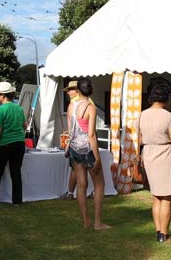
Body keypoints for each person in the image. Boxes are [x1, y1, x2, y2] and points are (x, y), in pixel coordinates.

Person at [137, 83, 171, 243]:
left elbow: (139, 139)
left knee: (156, 197)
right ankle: (164, 235)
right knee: (167, 199)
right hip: (165, 155)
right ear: (166, 97)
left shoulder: (142, 115)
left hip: (149, 153)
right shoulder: (170, 117)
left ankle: (159, 232)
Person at [65, 77, 110, 230]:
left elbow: (70, 130)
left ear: (77, 90)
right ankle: (97, 223)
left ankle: (86, 221)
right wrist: (97, 157)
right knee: (99, 184)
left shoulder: (71, 105)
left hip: (75, 148)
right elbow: (91, 134)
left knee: (81, 185)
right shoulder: (90, 107)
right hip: (88, 149)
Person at [0, 82, 27, 205]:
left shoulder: (0, 110)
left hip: (5, 144)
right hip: (19, 143)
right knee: (16, 172)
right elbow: (25, 125)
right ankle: (17, 201)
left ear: (3, 95)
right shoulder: (19, 108)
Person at [61, 80, 79, 200]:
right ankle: (95, 191)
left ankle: (71, 193)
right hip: (87, 139)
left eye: (70, 90)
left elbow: (71, 126)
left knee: (75, 168)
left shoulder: (73, 104)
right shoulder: (89, 102)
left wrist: (69, 143)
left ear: (77, 90)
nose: (68, 93)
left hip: (77, 140)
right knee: (91, 168)